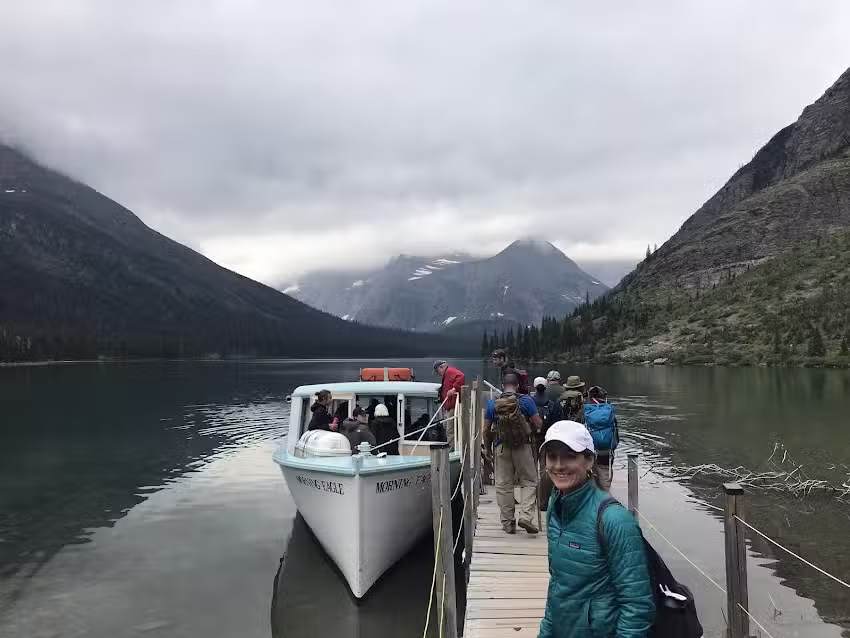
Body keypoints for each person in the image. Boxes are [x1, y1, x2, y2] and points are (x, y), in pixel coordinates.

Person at [538, 421, 654, 638]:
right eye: (552, 456)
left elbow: (637, 606)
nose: (559, 465)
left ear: (589, 460)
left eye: (570, 456)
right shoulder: (555, 506)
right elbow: (558, 585)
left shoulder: (614, 520)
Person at [483, 373, 542, 534]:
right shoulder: (526, 401)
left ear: (503, 385)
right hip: (523, 446)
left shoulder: (492, 403)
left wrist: (487, 449)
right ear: (517, 386)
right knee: (529, 481)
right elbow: (538, 424)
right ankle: (526, 516)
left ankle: (508, 523)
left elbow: (486, 430)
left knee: (503, 485)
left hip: (501, 447)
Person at [532, 377, 562, 510]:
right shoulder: (552, 405)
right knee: (545, 469)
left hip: (532, 439)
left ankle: (530, 499)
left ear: (534, 387)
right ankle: (543, 500)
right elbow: (557, 424)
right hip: (547, 440)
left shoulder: (529, 402)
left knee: (531, 469)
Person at [584, 385, 619, 491]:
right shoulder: (609, 412)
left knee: (589, 479)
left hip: (589, 452)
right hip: (606, 452)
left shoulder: (585, 411)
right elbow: (616, 433)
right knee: (605, 478)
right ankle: (605, 500)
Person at [434, 360, 465, 448]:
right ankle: (453, 447)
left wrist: (454, 389)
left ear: (441, 367)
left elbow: (461, 376)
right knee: (449, 429)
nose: (437, 374)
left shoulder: (450, 371)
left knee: (450, 430)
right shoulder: (447, 374)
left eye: (437, 371)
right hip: (449, 406)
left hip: (453, 406)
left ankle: (451, 450)